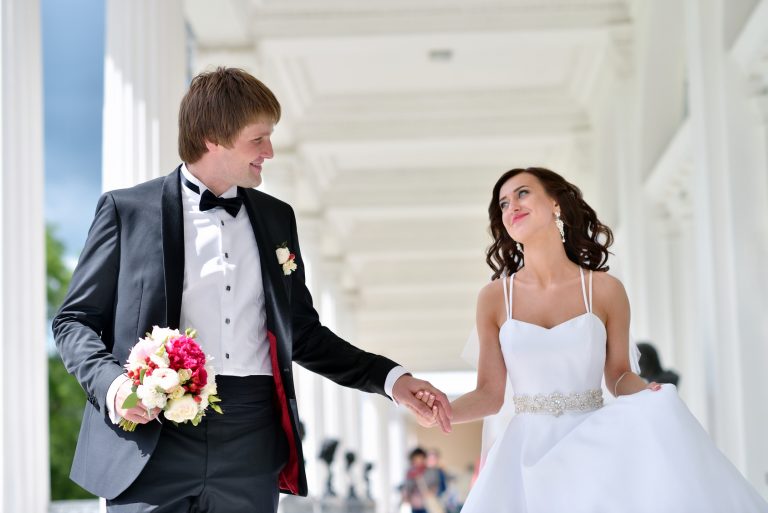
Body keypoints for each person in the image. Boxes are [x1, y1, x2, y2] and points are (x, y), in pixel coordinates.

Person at [52, 67, 451, 513]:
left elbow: (303, 332)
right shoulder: (126, 211)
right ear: (212, 138)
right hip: (150, 441)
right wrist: (114, 387)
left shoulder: (278, 219)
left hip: (252, 439)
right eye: (257, 139)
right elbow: (73, 322)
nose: (271, 151)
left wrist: (392, 380)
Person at [415, 167, 768, 512]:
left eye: (522, 193)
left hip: (596, 443)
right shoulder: (494, 298)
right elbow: (490, 394)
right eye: (503, 204)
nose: (511, 207)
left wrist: (647, 392)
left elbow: (618, 375)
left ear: (555, 204)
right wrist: (441, 411)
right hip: (524, 456)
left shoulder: (604, 289)